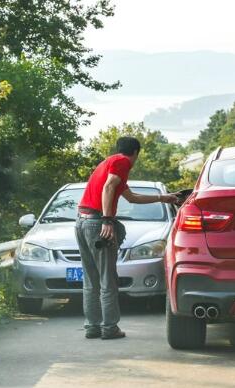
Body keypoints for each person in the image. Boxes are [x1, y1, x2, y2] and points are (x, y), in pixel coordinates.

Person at [76, 136, 178, 340]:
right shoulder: (122, 162)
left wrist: (163, 198)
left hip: (81, 222)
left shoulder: (108, 164)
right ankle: (110, 328)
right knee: (107, 279)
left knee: (91, 279)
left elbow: (133, 198)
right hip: (97, 223)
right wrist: (107, 220)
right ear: (136, 153)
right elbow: (108, 187)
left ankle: (92, 327)